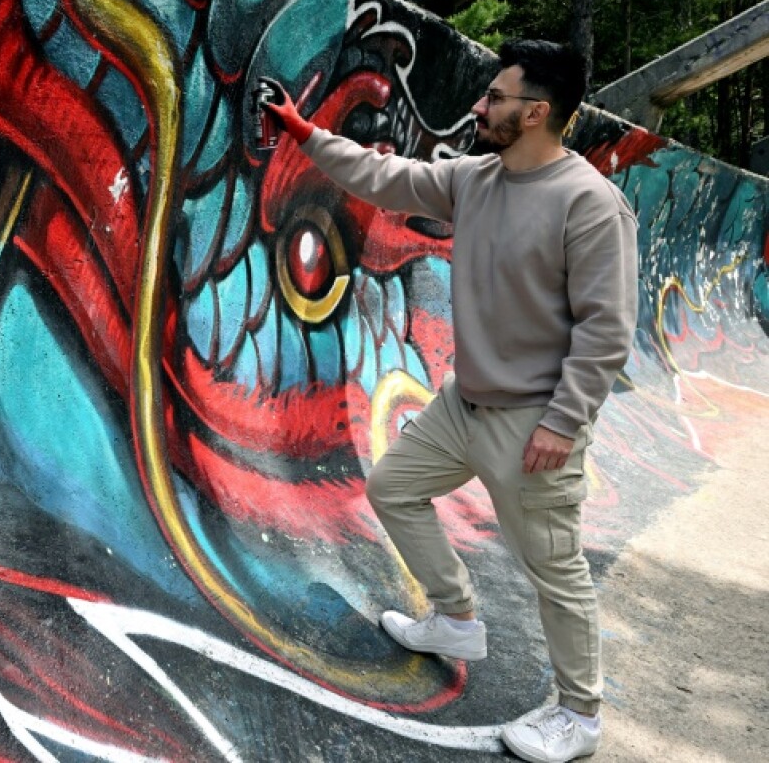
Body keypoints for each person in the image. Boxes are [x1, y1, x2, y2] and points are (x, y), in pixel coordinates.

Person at [260, 39, 638, 763]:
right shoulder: (477, 179)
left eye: (494, 97)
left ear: (537, 112)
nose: (478, 104)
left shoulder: (591, 205)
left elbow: (606, 328)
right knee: (393, 486)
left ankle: (580, 716)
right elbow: (386, 176)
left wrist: (564, 422)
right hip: (464, 404)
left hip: (535, 424)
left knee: (554, 571)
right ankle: (457, 617)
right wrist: (307, 134)